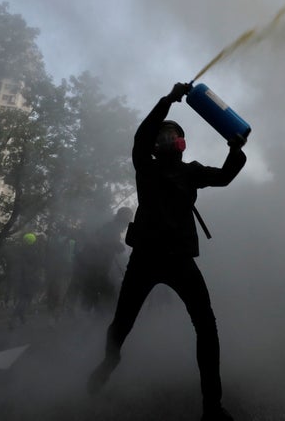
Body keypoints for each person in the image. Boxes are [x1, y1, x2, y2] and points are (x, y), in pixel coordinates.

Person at [87, 82, 246, 421]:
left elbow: (226, 176)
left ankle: (212, 406)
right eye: (162, 135)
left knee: (206, 327)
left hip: (180, 261)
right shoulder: (145, 168)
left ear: (181, 143)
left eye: (172, 134)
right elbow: (140, 137)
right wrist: (168, 101)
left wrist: (236, 149)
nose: (166, 138)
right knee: (121, 324)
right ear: (156, 146)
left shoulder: (191, 172)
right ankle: (110, 359)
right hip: (144, 258)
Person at [66, 208, 132, 317]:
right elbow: (98, 243)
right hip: (92, 269)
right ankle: (90, 323)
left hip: (98, 270)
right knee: (101, 297)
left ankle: (91, 322)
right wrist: (115, 245)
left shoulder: (113, 229)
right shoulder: (110, 228)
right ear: (121, 219)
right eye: (126, 221)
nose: (126, 225)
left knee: (100, 297)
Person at [8, 232, 41, 330]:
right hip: (28, 278)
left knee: (23, 298)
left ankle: (22, 317)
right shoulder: (34, 252)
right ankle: (14, 318)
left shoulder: (19, 250)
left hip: (18, 277)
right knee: (25, 299)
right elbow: (37, 266)